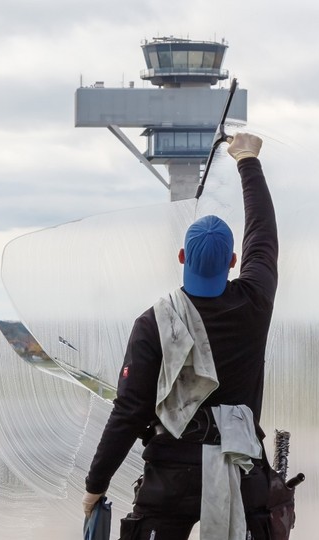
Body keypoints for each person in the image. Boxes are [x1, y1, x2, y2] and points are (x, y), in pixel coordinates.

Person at [83, 132, 277, 540]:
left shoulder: (154, 323)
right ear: (233, 261)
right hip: (240, 473)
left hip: (171, 475)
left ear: (182, 258)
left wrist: (95, 484)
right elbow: (263, 233)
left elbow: (129, 411)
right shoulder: (254, 302)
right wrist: (247, 159)